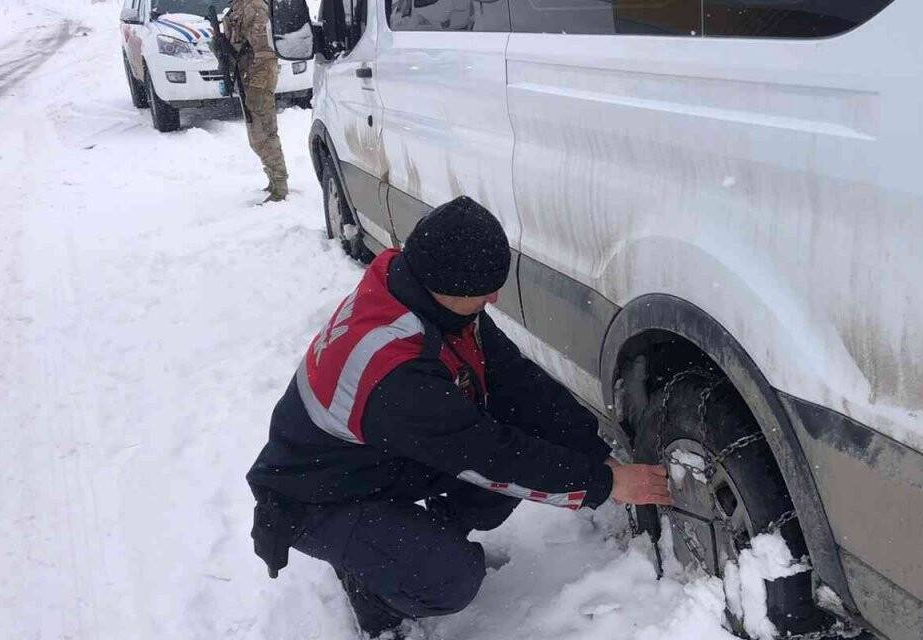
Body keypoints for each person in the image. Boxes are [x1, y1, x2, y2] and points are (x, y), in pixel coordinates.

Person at [246, 196, 672, 638]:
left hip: (377, 458)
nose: (494, 296)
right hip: (317, 496)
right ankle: (374, 583)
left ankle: (414, 541)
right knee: (453, 576)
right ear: (446, 287)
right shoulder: (394, 374)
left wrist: (593, 452)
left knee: (517, 442)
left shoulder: (421, 291)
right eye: (484, 289)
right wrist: (604, 484)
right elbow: (491, 457)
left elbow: (516, 382)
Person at [223, 0, 288, 202]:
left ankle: (280, 185)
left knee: (264, 131)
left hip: (259, 76)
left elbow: (266, 53)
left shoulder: (254, 7)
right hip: (248, 76)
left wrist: (258, 85)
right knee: (256, 133)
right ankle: (273, 178)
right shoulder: (238, 7)